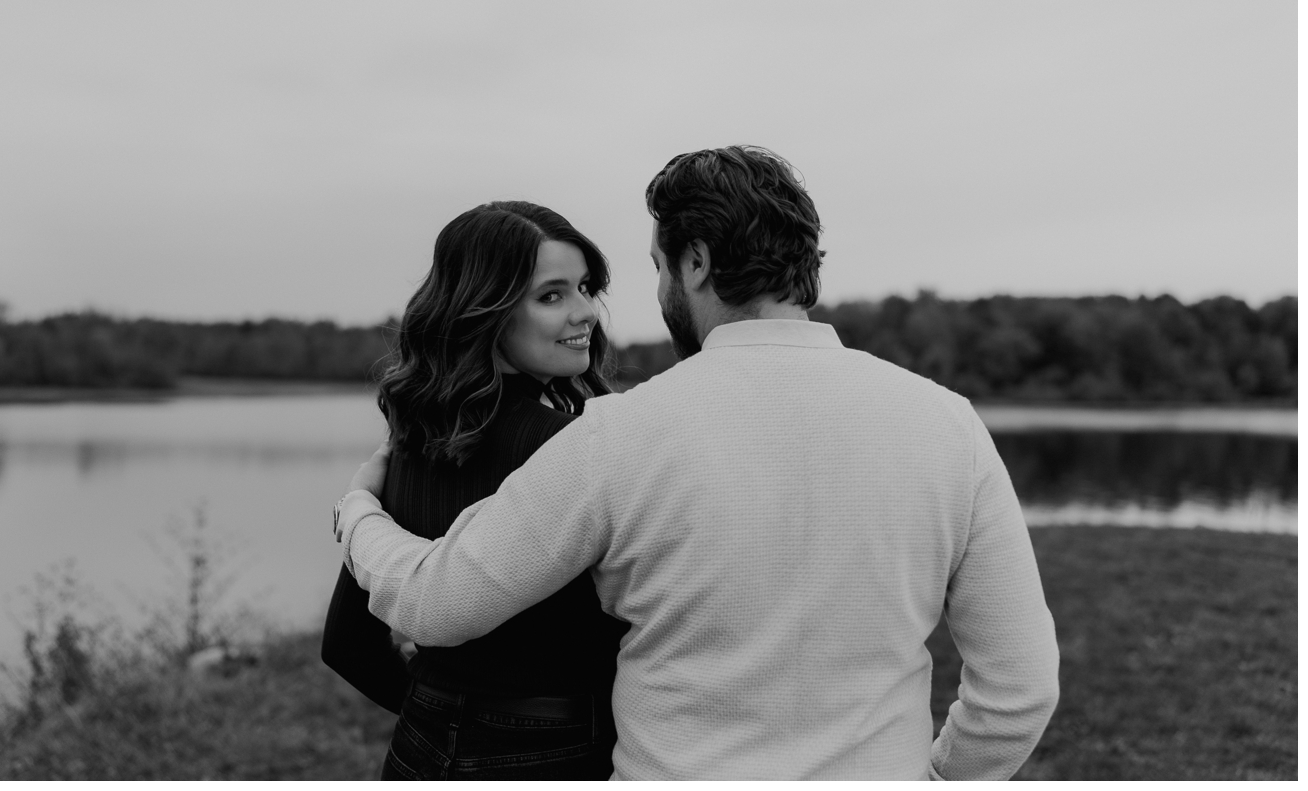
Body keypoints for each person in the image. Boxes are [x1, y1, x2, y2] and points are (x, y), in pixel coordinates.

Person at [333, 146, 1061, 780]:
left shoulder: (618, 433)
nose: (652, 293)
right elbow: (1020, 690)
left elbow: (439, 603)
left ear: (697, 260)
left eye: (657, 266)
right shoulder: (947, 424)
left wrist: (360, 514)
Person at [321, 201, 629, 779]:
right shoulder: (576, 448)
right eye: (552, 295)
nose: (586, 312)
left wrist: (446, 709)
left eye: (586, 288)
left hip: (419, 747)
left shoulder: (405, 451)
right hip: (557, 752)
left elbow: (347, 645)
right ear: (483, 313)